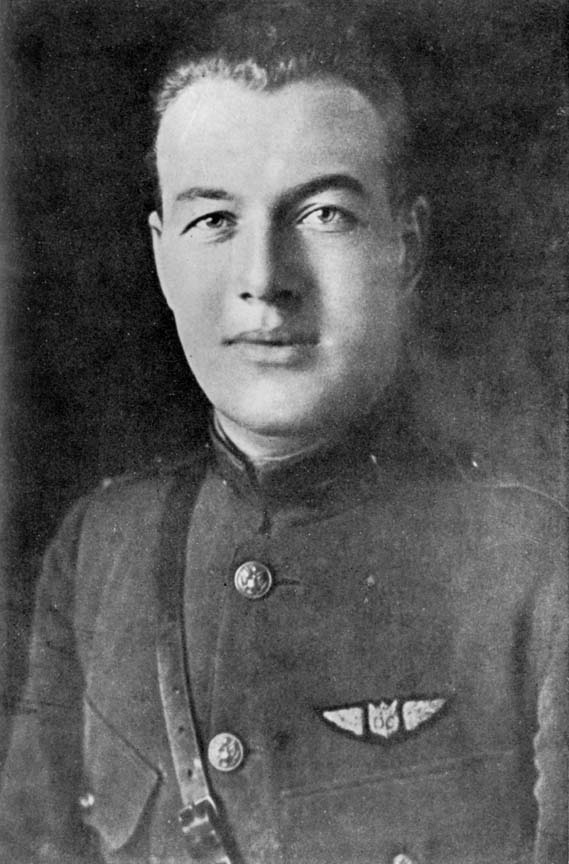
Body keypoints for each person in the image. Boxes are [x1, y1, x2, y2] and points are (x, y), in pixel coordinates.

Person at [1, 6, 567, 864]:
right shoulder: (98, 552)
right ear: (161, 257)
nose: (264, 280)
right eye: (213, 221)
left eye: (324, 214)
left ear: (405, 248)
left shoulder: (534, 567)